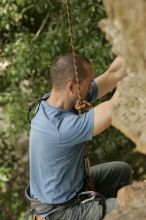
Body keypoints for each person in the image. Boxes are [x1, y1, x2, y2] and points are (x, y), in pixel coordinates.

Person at [25, 52, 132, 220]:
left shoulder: (53, 103)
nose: (91, 87)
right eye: (88, 83)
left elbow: (113, 75)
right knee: (133, 206)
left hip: (73, 188)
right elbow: (114, 108)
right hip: (60, 212)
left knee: (121, 172)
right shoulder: (59, 128)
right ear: (71, 86)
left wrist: (134, 44)